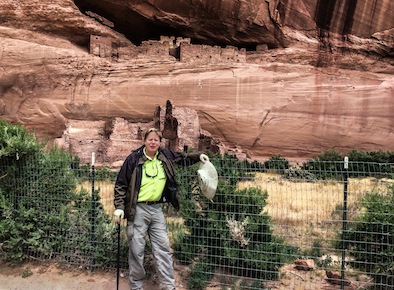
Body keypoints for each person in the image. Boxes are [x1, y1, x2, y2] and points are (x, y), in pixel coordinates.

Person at [113, 127, 206, 290]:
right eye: (150, 139)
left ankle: (168, 286)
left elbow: (183, 159)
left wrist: (198, 156)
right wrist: (119, 207)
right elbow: (121, 184)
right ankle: (136, 286)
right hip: (138, 210)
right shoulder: (134, 158)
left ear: (160, 142)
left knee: (163, 248)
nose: (153, 142)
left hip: (156, 210)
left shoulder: (165, 155)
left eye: (156, 139)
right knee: (136, 250)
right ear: (144, 141)